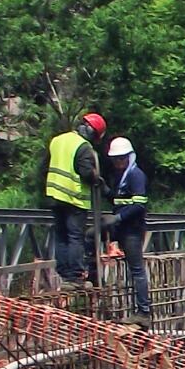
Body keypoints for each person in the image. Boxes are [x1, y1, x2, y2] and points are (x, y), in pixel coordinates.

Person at [44, 111, 106, 283]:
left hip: (55, 196)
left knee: (61, 236)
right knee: (75, 237)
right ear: (92, 132)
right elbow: (86, 173)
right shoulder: (83, 146)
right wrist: (97, 179)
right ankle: (75, 275)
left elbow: (46, 165)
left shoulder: (57, 140)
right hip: (74, 198)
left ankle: (63, 272)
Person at [104, 135, 152, 317]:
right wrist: (106, 191)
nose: (118, 163)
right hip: (121, 228)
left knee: (137, 270)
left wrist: (118, 217)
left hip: (132, 229)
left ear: (129, 157)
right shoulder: (120, 177)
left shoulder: (135, 175)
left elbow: (139, 205)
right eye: (115, 159)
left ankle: (143, 311)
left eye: (121, 159)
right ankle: (89, 275)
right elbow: (119, 200)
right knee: (90, 236)